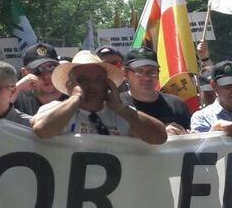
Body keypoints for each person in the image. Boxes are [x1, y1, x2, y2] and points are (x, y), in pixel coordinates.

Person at [31, 50, 166, 144]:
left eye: (98, 79)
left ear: (108, 84)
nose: (92, 86)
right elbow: (42, 130)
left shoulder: (121, 114)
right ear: (71, 84)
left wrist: (120, 108)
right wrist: (76, 98)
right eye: (83, 80)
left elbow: (160, 138)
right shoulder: (55, 109)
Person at [120, 47, 191, 135]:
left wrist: (183, 134)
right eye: (139, 71)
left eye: (151, 71)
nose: (146, 77)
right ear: (125, 74)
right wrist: (161, 133)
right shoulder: (117, 104)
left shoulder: (176, 104)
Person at [189, 61, 232, 135]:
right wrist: (213, 132)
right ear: (214, 86)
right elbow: (199, 146)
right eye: (227, 85)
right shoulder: (201, 118)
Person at [13, 43, 66, 115]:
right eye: (37, 71)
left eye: (51, 67)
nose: (46, 76)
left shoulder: (71, 95)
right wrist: (17, 88)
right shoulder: (17, 99)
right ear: (25, 73)